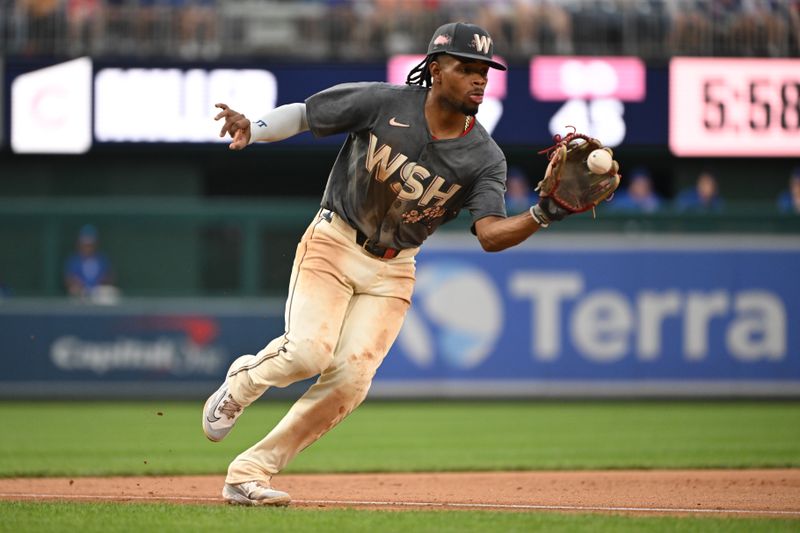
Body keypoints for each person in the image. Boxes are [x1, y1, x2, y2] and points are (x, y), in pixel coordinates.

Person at [203, 22, 576, 506]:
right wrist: (252, 129)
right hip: (335, 239)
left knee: (351, 382)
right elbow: (306, 114)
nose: (480, 80)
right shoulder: (384, 103)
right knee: (309, 354)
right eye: (467, 69)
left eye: (485, 71)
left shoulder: (485, 157)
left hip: (395, 268)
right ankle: (242, 383)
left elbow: (489, 234)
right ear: (436, 70)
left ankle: (249, 473)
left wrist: (544, 213)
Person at [63, 224, 116, 301]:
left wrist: (101, 283)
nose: (88, 247)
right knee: (74, 291)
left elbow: (110, 276)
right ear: (80, 244)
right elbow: (69, 278)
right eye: (85, 245)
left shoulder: (102, 259)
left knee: (110, 292)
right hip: (80, 294)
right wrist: (79, 285)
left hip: (98, 294)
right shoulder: (74, 260)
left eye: (90, 245)